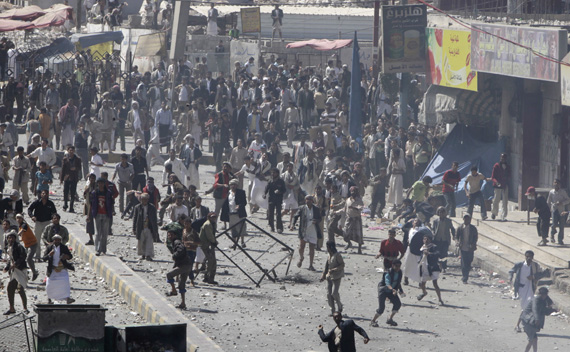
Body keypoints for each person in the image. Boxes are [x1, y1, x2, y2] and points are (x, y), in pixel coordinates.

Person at [510, 250, 546, 333]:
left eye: (530, 257)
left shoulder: (535, 266)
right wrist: (510, 277)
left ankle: (519, 325)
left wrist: (533, 276)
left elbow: (544, 273)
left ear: (533, 257)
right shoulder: (520, 265)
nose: (528, 258)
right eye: (527, 256)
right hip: (521, 289)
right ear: (525, 256)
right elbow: (511, 270)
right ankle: (520, 325)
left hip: (530, 289)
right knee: (526, 308)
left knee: (527, 307)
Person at [369, 259, 404, 327]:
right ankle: (373, 321)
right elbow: (387, 284)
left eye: (399, 266)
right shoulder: (388, 273)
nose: (398, 268)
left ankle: (390, 319)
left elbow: (398, 282)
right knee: (381, 308)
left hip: (392, 290)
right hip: (383, 290)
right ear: (393, 265)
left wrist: (401, 290)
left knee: (397, 304)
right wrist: (393, 290)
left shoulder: (399, 273)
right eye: (396, 266)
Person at [520, 287, 556, 352]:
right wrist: (537, 319)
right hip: (528, 321)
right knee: (531, 340)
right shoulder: (536, 299)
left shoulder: (544, 299)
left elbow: (546, 310)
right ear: (542, 294)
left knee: (534, 339)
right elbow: (535, 309)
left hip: (531, 321)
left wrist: (553, 309)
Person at [43, 234, 75, 304]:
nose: (57, 241)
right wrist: (49, 255)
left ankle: (67, 298)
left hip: (62, 269)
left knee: (65, 283)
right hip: (53, 269)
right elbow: (44, 258)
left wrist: (66, 256)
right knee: (49, 285)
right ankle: (49, 298)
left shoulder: (64, 247)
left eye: (58, 240)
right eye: (55, 240)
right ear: (53, 240)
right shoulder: (49, 247)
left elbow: (70, 256)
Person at [3, 231, 28, 315]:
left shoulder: (19, 246)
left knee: (20, 288)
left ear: (15, 238)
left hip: (20, 270)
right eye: (9, 238)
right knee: (10, 288)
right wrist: (7, 267)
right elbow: (10, 259)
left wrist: (16, 264)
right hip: (13, 271)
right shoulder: (8, 247)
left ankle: (25, 308)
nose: (10, 239)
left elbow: (23, 256)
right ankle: (12, 308)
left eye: (12, 237)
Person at [165, 230, 192, 309]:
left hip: (184, 266)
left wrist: (174, 255)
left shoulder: (177, 242)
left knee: (169, 275)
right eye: (168, 235)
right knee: (181, 284)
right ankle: (183, 303)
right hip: (188, 265)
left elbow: (181, 249)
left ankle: (173, 291)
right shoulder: (175, 242)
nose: (169, 237)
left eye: (171, 235)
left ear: (175, 235)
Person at [27, 190, 57, 260]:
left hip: (47, 223)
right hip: (38, 223)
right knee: (37, 240)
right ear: (41, 194)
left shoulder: (50, 203)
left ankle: (48, 255)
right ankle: (38, 256)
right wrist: (32, 216)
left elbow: (54, 212)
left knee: (47, 240)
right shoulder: (37, 202)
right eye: (43, 193)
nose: (44, 195)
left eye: (46, 194)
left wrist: (53, 219)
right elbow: (29, 209)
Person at [295, 195, 321, 270]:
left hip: (313, 230)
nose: (307, 201)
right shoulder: (302, 208)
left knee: (312, 248)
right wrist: (292, 224)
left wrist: (316, 221)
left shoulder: (316, 209)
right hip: (304, 230)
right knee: (301, 246)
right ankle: (301, 257)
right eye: (306, 199)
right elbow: (296, 216)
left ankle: (310, 265)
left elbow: (320, 218)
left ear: (312, 201)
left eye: (309, 199)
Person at [417, 234, 444, 305]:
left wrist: (429, 253)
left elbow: (438, 254)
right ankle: (424, 292)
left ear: (430, 240)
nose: (425, 241)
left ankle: (440, 299)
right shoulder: (422, 248)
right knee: (423, 283)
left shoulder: (433, 247)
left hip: (433, 267)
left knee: (435, 283)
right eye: (424, 239)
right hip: (425, 267)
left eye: (427, 239)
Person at [90, 177, 113, 256]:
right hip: (97, 214)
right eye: (99, 183)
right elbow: (91, 204)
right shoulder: (95, 193)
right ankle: (98, 249)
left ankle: (103, 249)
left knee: (105, 233)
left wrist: (110, 213)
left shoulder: (108, 193)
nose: (100, 185)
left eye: (102, 183)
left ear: (104, 184)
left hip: (106, 214)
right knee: (98, 233)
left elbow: (111, 203)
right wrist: (92, 214)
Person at [221, 179, 247, 248]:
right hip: (231, 214)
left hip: (239, 214)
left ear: (237, 185)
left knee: (241, 228)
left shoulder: (241, 192)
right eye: (231, 185)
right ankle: (235, 243)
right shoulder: (228, 193)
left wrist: (239, 206)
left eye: (234, 185)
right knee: (233, 230)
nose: (233, 186)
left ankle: (242, 242)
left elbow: (244, 202)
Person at [320, 241, 344, 315]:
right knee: (329, 294)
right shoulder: (329, 255)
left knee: (334, 293)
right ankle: (333, 311)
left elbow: (342, 265)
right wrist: (323, 275)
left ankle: (340, 306)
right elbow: (327, 266)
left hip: (337, 276)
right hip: (329, 276)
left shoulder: (337, 255)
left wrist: (334, 269)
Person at [132, 193, 158, 261]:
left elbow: (154, 219)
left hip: (149, 226)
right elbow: (135, 218)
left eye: (146, 199)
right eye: (143, 199)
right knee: (141, 241)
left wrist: (155, 230)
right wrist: (134, 228)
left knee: (149, 241)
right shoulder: (138, 207)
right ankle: (143, 254)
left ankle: (148, 255)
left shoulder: (152, 207)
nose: (144, 201)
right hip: (141, 226)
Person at [454, 214, 478, 284]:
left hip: (470, 248)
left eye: (468, 219)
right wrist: (457, 242)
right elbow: (456, 237)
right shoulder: (460, 227)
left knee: (469, 261)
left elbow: (475, 237)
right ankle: (465, 277)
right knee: (464, 263)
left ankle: (466, 274)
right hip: (463, 248)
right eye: (465, 219)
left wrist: (473, 244)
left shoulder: (473, 228)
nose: (466, 220)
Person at [431, 206, 455, 271]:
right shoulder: (436, 221)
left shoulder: (448, 221)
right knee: (438, 253)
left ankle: (444, 266)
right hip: (437, 239)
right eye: (440, 212)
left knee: (444, 253)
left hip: (445, 240)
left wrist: (454, 236)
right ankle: (439, 265)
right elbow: (434, 229)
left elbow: (452, 228)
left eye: (442, 212)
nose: (441, 213)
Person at [547, 178, 570, 245]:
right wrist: (548, 209)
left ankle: (560, 239)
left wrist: (562, 203)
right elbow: (548, 201)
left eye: (557, 183)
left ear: (559, 184)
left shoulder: (563, 192)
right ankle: (552, 235)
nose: (556, 184)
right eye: (555, 183)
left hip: (561, 211)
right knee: (554, 224)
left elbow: (568, 200)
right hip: (554, 209)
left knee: (561, 226)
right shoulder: (551, 192)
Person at [16, 214, 39, 281]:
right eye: (17, 218)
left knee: (29, 258)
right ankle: (26, 273)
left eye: (20, 218)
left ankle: (34, 272)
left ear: (22, 219)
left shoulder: (24, 225)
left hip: (33, 244)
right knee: (23, 259)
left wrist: (16, 235)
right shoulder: (19, 226)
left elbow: (22, 231)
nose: (18, 219)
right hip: (27, 245)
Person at [264, 168, 286, 234]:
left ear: (277, 174)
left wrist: (279, 192)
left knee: (278, 214)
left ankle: (279, 228)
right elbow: (266, 189)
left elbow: (284, 190)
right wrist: (264, 194)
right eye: (272, 173)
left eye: (274, 173)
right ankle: (272, 227)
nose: (273, 174)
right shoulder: (270, 181)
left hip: (278, 200)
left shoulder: (281, 181)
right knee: (270, 214)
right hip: (271, 199)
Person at [60, 145, 82, 212]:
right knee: (65, 192)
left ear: (74, 151)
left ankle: (71, 207)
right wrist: (61, 179)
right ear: (68, 151)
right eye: (70, 150)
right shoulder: (65, 159)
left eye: (72, 150)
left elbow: (80, 168)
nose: (71, 152)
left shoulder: (78, 159)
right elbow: (63, 169)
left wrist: (75, 168)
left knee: (73, 193)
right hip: (67, 178)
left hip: (74, 178)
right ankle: (65, 205)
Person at [200, 212, 218, 285]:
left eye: (215, 217)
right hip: (206, 245)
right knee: (211, 261)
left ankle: (209, 277)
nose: (213, 218)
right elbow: (209, 236)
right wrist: (214, 241)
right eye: (212, 217)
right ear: (208, 217)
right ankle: (208, 277)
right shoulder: (208, 224)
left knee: (212, 261)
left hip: (209, 244)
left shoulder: (213, 224)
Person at [491, 153, 510, 221]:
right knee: (496, 199)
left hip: (504, 185)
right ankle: (494, 213)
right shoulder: (496, 166)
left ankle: (504, 215)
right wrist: (496, 182)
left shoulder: (507, 167)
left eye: (504, 158)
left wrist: (505, 182)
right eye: (502, 158)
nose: (502, 159)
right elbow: (493, 177)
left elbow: (509, 176)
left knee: (505, 201)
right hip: (497, 185)